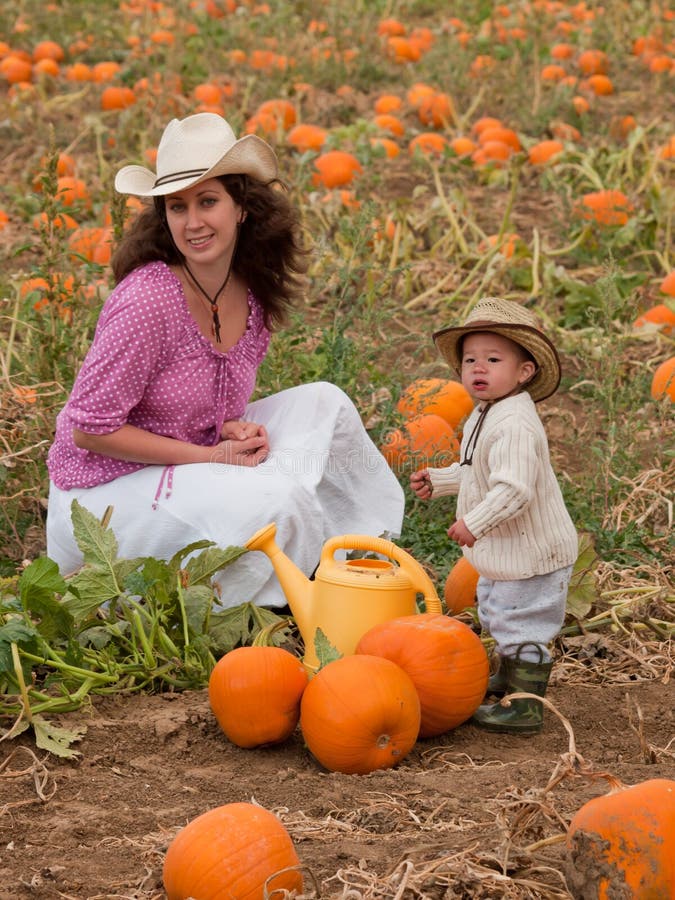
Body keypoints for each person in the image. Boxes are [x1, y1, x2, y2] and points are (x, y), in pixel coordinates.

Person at [46, 113, 404, 608]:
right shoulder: (148, 301)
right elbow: (89, 430)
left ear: (240, 208)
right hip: (103, 498)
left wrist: (228, 428)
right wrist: (212, 456)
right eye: (177, 207)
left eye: (207, 201)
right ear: (163, 217)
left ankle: (356, 558)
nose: (192, 223)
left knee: (327, 404)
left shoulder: (251, 289)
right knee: (276, 501)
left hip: (184, 455)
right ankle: (283, 593)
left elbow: (193, 397)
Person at [410, 297, 578, 735]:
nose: (478, 368)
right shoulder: (486, 413)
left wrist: (474, 523)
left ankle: (526, 707)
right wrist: (442, 480)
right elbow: (476, 470)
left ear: (524, 372)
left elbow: (513, 490)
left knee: (521, 621)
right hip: (510, 551)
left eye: (493, 359)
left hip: (533, 552)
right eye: (470, 360)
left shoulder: (515, 424)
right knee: (498, 611)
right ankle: (509, 675)